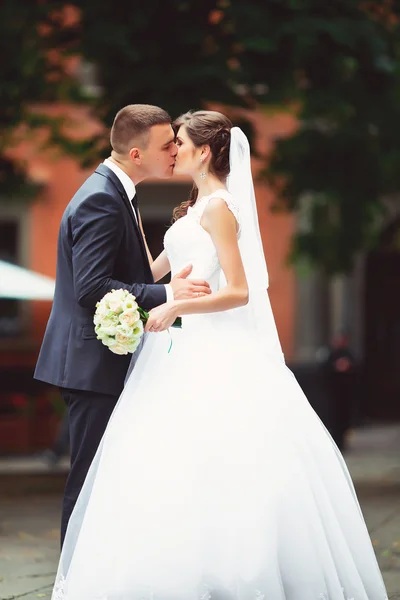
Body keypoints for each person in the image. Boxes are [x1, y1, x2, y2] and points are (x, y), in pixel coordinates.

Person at [51, 111, 388, 600]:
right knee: (161, 462)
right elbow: (149, 270)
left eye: (179, 143)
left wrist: (174, 305)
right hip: (174, 353)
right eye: (168, 144)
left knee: (219, 457)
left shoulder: (220, 209)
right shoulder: (191, 210)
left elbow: (239, 291)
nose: (174, 151)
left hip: (210, 348)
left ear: (204, 152)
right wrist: (155, 284)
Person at [34, 105, 211, 547]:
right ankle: (72, 583)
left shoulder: (115, 190)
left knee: (107, 478)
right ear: (136, 153)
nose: (175, 149)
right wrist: (171, 296)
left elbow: (125, 274)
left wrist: (170, 278)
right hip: (92, 364)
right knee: (90, 478)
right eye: (167, 144)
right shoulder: (101, 199)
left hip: (101, 362)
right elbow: (92, 287)